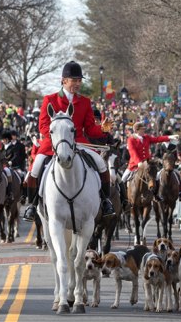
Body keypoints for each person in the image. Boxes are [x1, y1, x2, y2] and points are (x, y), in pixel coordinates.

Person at [23, 61, 116, 222]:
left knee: (101, 163)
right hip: (54, 143)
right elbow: (43, 126)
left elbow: (89, 129)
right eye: (74, 80)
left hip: (79, 141)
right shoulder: (49, 99)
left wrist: (103, 129)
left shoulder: (85, 101)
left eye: (79, 80)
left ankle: (106, 201)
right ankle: (31, 205)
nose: (77, 84)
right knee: (35, 168)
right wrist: (59, 138)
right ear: (64, 80)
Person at [121, 122, 178, 202]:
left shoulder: (146, 137)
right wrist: (138, 162)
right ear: (137, 130)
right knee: (123, 179)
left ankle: (156, 195)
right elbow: (133, 152)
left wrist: (169, 137)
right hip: (135, 164)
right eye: (142, 129)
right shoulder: (131, 139)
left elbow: (157, 139)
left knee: (157, 177)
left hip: (148, 164)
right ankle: (123, 199)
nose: (144, 130)